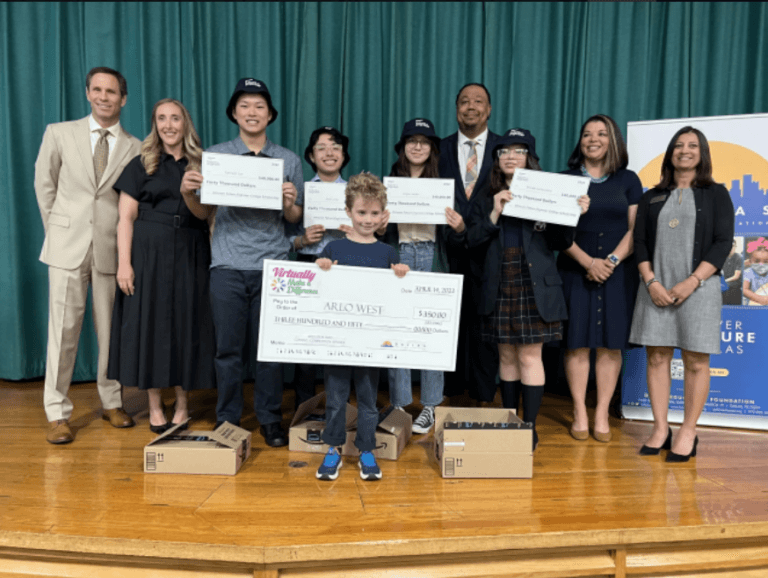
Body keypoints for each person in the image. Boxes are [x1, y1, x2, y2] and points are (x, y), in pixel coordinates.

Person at [34, 67, 141, 444]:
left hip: (111, 250)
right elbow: (44, 184)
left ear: (123, 99)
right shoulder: (59, 133)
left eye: (111, 91)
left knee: (109, 333)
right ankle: (57, 412)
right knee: (62, 332)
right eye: (97, 90)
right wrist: (59, 230)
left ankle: (112, 402)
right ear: (88, 93)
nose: (104, 97)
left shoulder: (136, 145)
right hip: (66, 248)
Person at [466, 128, 589, 450]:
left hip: (535, 285)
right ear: (496, 158)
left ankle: (529, 427)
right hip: (498, 283)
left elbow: (561, 243)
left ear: (529, 158)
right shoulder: (485, 196)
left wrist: (573, 213)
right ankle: (510, 420)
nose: (510, 156)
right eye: (503, 151)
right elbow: (471, 241)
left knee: (531, 357)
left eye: (518, 151)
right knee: (506, 356)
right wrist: (495, 210)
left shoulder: (547, 191)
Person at [197, 78, 303, 447]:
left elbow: (294, 219)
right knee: (227, 351)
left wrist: (290, 202)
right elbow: (201, 209)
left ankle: (269, 418)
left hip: (272, 266)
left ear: (270, 114)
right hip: (226, 265)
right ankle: (227, 418)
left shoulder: (288, 159)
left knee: (269, 351)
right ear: (233, 113)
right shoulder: (217, 155)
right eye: (245, 106)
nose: (252, 112)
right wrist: (190, 191)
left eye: (259, 106)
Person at [107, 98, 215, 434]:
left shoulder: (203, 164)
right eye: (162, 119)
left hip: (191, 249)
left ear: (186, 123)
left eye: (175, 118)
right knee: (150, 324)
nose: (169, 125)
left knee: (187, 324)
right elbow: (125, 218)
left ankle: (182, 404)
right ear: (155, 124)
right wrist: (124, 264)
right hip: (148, 252)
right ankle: (155, 404)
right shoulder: (141, 164)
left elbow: (208, 215)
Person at [630, 126, 734, 462]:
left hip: (698, 289)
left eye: (692, 145)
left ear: (702, 153)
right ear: (670, 153)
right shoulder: (651, 196)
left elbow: (722, 243)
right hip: (655, 288)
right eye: (678, 145)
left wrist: (692, 281)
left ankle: (688, 430)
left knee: (695, 360)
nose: (685, 150)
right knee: (657, 357)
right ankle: (661, 428)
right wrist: (651, 282)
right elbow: (641, 243)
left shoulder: (716, 194)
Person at [314, 172, 410, 481]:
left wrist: (401, 274)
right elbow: (318, 290)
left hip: (371, 342)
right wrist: (321, 268)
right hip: (339, 340)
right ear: (348, 212)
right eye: (361, 212)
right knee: (336, 398)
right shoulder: (333, 250)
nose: (367, 219)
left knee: (369, 401)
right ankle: (333, 448)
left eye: (373, 213)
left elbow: (397, 297)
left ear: (384, 215)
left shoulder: (388, 253)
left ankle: (366, 448)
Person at [557, 115, 644, 442]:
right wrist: (586, 262)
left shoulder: (628, 180)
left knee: (611, 345)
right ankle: (579, 410)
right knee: (576, 343)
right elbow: (555, 233)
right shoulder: (564, 180)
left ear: (613, 140)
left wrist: (608, 261)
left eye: (601, 134)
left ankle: (602, 412)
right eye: (587, 134)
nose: (593, 139)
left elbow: (637, 230)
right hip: (574, 267)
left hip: (617, 271)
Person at [378, 118, 467, 434]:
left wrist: (458, 227)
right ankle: (399, 404)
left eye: (424, 141)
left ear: (432, 149)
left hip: (432, 254)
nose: (418, 146)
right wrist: (381, 225)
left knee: (431, 332)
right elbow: (378, 232)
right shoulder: (388, 184)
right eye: (411, 141)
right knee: (397, 330)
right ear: (402, 148)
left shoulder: (445, 184)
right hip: (400, 254)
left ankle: (430, 405)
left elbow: (458, 237)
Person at [438, 83, 501, 402]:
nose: (471, 106)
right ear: (456, 109)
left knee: (485, 330)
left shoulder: (507, 149)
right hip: (446, 251)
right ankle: (446, 394)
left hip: (491, 252)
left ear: (489, 109)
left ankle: (483, 396)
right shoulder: (439, 148)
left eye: (478, 101)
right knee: (446, 325)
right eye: (464, 101)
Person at [289, 126, 352, 408]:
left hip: (344, 266)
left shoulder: (355, 192)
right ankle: (304, 402)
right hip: (308, 265)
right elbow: (281, 235)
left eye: (336, 147)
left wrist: (354, 232)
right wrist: (302, 240)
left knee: (341, 336)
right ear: (311, 156)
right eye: (322, 147)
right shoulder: (300, 192)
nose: (329, 152)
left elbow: (373, 234)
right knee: (305, 338)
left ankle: (339, 404)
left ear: (344, 155)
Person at [721, 239, 743, 306]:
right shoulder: (722, 257)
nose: (730, 248)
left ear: (735, 247)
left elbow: (736, 276)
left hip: (735, 285)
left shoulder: (739, 257)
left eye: (733, 246)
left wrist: (724, 281)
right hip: (726, 284)